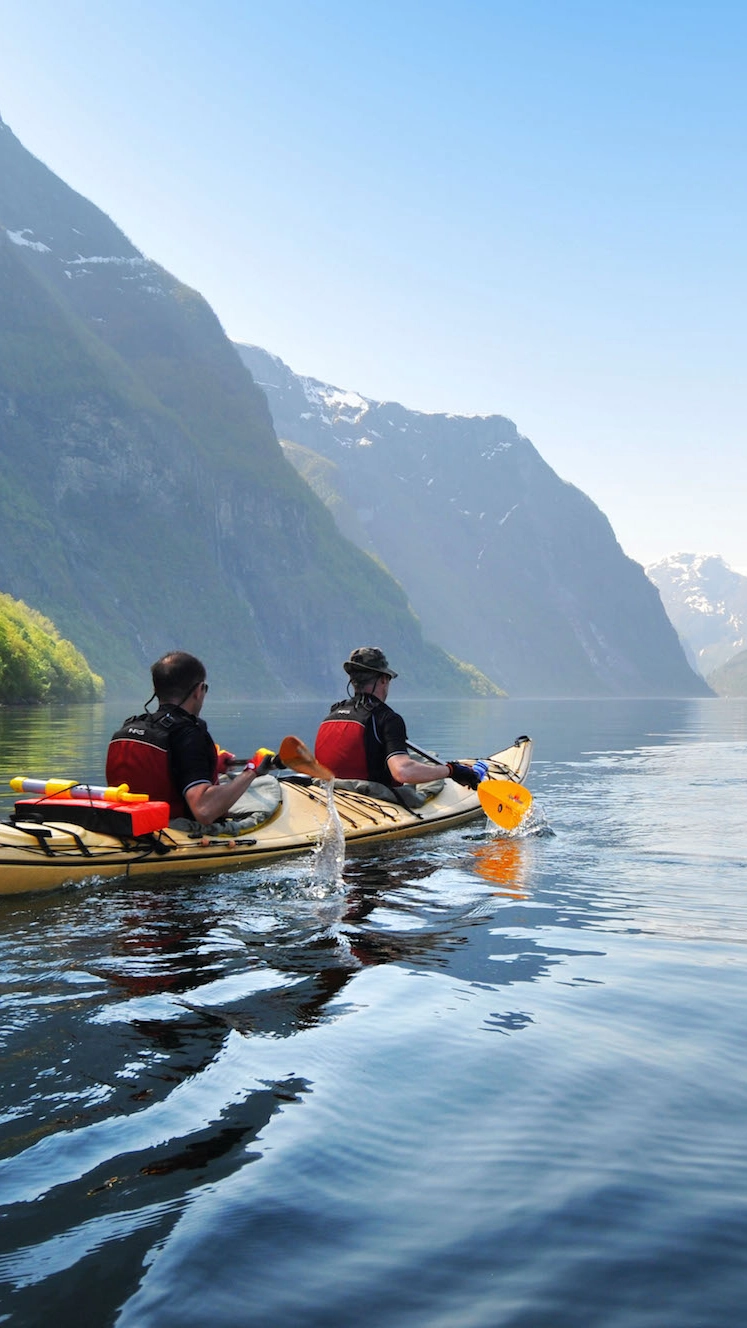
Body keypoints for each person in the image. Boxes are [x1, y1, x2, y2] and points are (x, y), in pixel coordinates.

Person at [106, 651, 273, 825]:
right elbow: (203, 809)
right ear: (199, 690)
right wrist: (251, 771)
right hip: (176, 833)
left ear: (156, 691)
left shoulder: (128, 728)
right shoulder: (189, 734)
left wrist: (211, 765)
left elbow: (162, 769)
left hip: (129, 825)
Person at [314, 646, 483, 795]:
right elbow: (402, 772)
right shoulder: (387, 718)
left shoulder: (333, 713)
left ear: (353, 681)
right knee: (416, 765)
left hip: (333, 791)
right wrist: (451, 771)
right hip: (374, 798)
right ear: (383, 679)